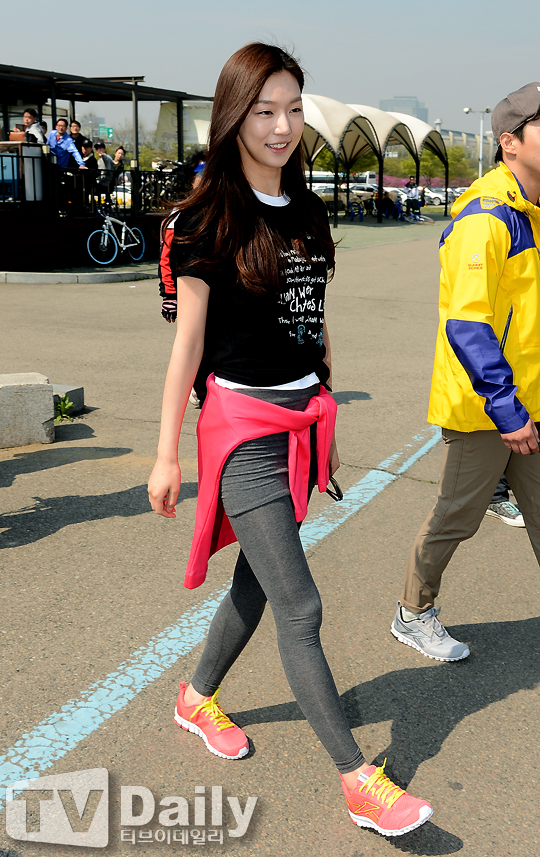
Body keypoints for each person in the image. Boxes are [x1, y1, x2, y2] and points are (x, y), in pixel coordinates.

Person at [148, 41, 432, 837]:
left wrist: (328, 410)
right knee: (299, 602)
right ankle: (358, 779)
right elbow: (188, 344)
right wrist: (168, 453)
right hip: (242, 429)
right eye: (264, 110)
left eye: (294, 109)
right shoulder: (205, 217)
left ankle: (194, 695)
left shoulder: (307, 211)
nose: (282, 126)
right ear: (233, 117)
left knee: (259, 577)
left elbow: (314, 323)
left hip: (303, 422)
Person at [391, 81, 540, 662]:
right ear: (510, 142)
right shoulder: (486, 218)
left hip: (528, 399)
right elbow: (468, 325)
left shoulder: (533, 211)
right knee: (457, 516)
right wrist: (507, 409)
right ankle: (413, 612)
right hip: (487, 406)